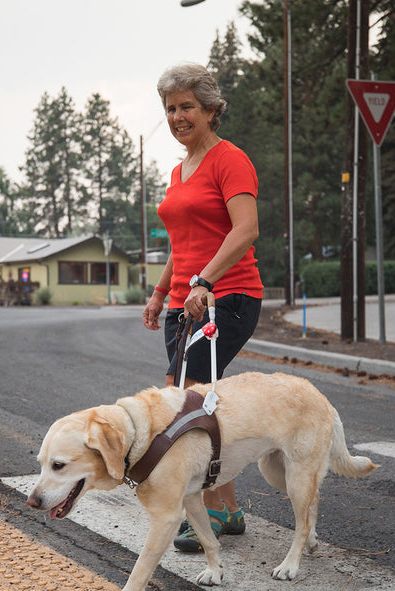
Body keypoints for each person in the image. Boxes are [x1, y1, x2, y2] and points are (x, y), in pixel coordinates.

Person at [142, 63, 263, 553]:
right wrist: (159, 292)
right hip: (187, 303)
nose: (177, 116)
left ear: (211, 110)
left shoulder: (229, 160)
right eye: (170, 108)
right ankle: (229, 510)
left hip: (227, 297)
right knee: (196, 405)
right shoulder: (179, 169)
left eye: (186, 106)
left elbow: (246, 230)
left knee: (186, 405)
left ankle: (212, 512)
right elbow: (183, 241)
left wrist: (204, 281)